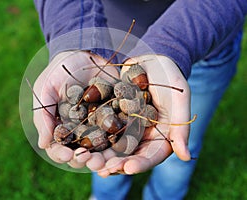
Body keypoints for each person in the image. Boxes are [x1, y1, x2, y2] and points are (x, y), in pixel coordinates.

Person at [32, 0, 246, 199]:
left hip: (208, 41)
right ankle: (107, 196)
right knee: (104, 159)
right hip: (110, 46)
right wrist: (75, 38)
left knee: (179, 146)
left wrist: (175, 43)